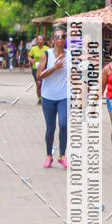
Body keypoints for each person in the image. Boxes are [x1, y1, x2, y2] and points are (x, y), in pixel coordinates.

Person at [36, 29, 69, 168]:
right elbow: (39, 75)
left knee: (63, 124)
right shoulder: (47, 54)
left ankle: (62, 155)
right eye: (58, 36)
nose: (61, 39)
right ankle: (49, 155)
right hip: (48, 96)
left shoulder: (70, 55)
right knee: (50, 127)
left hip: (64, 96)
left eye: (63, 36)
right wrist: (54, 67)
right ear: (53, 40)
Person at [28, 35, 49, 103]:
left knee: (44, 84)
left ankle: (45, 98)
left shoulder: (47, 49)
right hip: (35, 69)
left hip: (44, 69)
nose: (40, 41)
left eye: (41, 40)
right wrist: (31, 60)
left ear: (43, 41)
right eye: (38, 40)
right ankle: (40, 99)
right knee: (38, 84)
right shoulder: (33, 48)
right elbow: (29, 56)